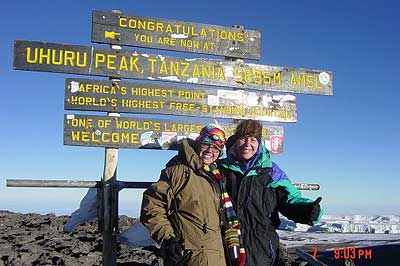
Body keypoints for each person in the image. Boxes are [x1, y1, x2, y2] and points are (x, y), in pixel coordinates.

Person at [219, 120, 323, 266]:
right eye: (242, 138)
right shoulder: (221, 169)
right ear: (236, 141)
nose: (247, 143)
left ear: (259, 143)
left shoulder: (271, 171)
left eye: (253, 139)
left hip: (262, 250)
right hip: (226, 247)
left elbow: (289, 199)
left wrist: (306, 210)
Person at [140, 124, 227, 266]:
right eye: (206, 144)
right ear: (198, 144)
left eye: (216, 148)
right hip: (188, 257)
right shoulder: (178, 171)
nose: (210, 150)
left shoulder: (217, 175)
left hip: (217, 256)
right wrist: (168, 239)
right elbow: (152, 206)